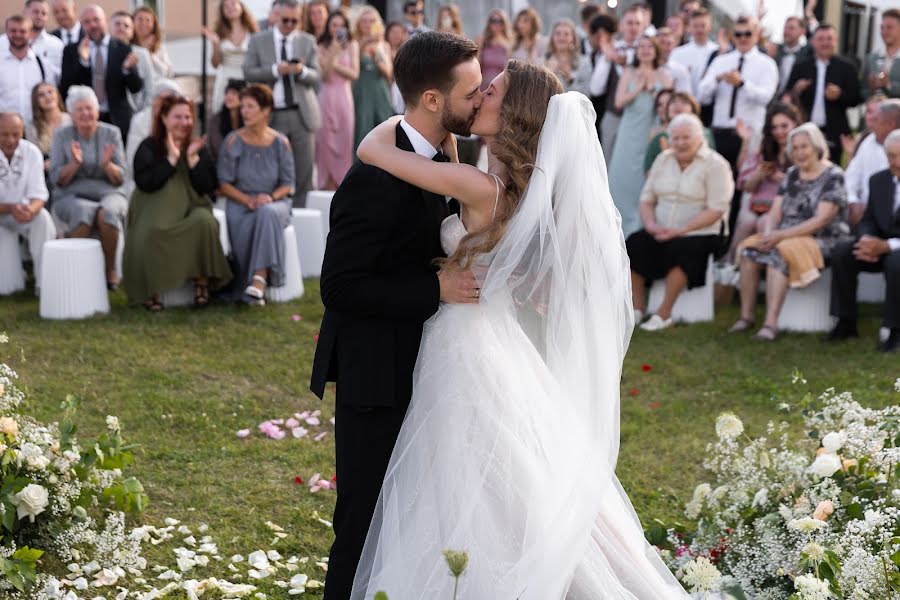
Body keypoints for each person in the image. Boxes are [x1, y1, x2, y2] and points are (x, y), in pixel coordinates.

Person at [323, 37, 691, 598]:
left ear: (509, 115)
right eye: (473, 91)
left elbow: (376, 150)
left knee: (461, 475)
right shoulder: (501, 183)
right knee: (482, 478)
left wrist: (382, 134)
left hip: (462, 342)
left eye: (486, 92)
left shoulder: (477, 183)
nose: (478, 99)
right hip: (474, 337)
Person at [731, 123, 851, 341]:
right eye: (794, 148)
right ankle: (746, 317)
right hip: (785, 235)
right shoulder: (791, 174)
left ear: (817, 147)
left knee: (779, 254)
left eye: (804, 147)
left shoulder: (834, 175)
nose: (799, 153)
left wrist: (779, 237)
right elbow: (775, 213)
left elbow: (821, 220)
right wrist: (768, 235)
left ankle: (770, 323)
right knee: (750, 251)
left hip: (823, 238)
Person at [123, 95, 231, 311]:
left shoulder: (198, 148)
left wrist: (192, 161)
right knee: (151, 233)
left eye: (188, 117)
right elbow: (145, 182)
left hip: (192, 206)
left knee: (205, 222)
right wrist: (170, 160)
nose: (184, 122)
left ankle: (202, 283)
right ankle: (149, 289)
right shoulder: (150, 146)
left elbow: (208, 186)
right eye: (177, 117)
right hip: (154, 206)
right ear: (163, 118)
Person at [628, 113, 732, 331]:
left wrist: (681, 230)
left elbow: (717, 209)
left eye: (686, 137)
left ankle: (664, 313)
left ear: (700, 137)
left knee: (686, 248)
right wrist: (650, 225)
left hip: (703, 232)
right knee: (634, 243)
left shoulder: (716, 164)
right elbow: (646, 199)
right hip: (662, 229)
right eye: (676, 138)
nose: (681, 143)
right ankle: (637, 309)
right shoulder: (663, 159)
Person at [217, 84, 294, 305]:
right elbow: (224, 184)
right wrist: (248, 200)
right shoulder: (232, 141)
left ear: (266, 110)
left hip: (275, 201)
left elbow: (287, 184)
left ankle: (259, 280)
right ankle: (249, 283)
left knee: (267, 213)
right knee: (257, 216)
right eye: (243, 107)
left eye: (251, 107)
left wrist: (269, 197)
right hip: (240, 202)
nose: (244, 112)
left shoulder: (281, 143)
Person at [49, 85, 129, 290]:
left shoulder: (111, 133)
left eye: (89, 108)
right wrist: (74, 164)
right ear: (72, 115)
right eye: (79, 109)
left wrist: (107, 165)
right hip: (71, 194)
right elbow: (56, 178)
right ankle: (78, 271)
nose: (85, 113)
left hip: (109, 192)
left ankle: (109, 270)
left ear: (97, 110)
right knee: (83, 211)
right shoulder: (61, 136)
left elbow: (121, 177)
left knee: (108, 212)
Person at [827, 129, 900, 353]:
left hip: (895, 250)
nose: (895, 162)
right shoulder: (879, 180)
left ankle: (895, 330)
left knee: (896, 262)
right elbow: (869, 218)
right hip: (879, 245)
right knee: (842, 252)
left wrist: (887, 246)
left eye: (899, 156)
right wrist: (867, 239)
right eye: (891, 156)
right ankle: (845, 321)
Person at [243, 0, 319, 206]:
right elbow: (248, 72)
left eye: (295, 20)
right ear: (276, 17)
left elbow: (316, 75)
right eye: (286, 20)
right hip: (271, 114)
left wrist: (300, 71)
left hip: (301, 114)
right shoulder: (259, 40)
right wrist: (276, 70)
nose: (290, 24)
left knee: (304, 173)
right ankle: (274, 215)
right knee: (271, 171)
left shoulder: (307, 40)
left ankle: (302, 218)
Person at [608, 35, 672, 238]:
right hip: (629, 132)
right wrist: (637, 88)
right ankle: (616, 230)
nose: (645, 50)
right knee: (621, 178)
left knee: (645, 181)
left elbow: (668, 104)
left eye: (649, 46)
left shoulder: (664, 75)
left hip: (652, 132)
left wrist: (652, 89)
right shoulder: (629, 72)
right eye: (641, 47)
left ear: (655, 50)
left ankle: (640, 229)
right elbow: (618, 102)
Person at [727, 102, 802, 264]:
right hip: (758, 205)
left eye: (784, 126)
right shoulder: (765, 150)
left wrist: (783, 180)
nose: (779, 132)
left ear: (795, 124)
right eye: (774, 128)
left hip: (786, 209)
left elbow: (806, 187)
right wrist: (759, 175)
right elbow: (745, 187)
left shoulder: (802, 150)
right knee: (747, 220)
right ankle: (732, 265)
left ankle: (765, 267)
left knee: (764, 222)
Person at [59, 5, 143, 141]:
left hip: (118, 121)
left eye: (96, 20)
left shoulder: (122, 48)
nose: (92, 25)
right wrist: (83, 62)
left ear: (106, 21)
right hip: (85, 120)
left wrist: (128, 70)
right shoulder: (71, 51)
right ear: (81, 25)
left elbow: (136, 88)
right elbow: (66, 87)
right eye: (87, 22)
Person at [785, 24, 862, 162]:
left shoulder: (847, 67)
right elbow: (786, 95)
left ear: (836, 41)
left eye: (829, 39)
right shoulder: (801, 66)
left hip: (834, 131)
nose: (825, 43)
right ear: (813, 41)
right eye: (821, 39)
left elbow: (856, 99)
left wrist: (840, 95)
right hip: (804, 128)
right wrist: (796, 90)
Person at [0, 112, 56, 293]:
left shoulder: (32, 152)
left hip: (21, 214)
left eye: (15, 134)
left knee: (43, 219)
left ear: (22, 132)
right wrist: (10, 208)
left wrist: (30, 210)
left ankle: (44, 283)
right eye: (4, 134)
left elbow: (39, 194)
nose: (10, 140)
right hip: (4, 211)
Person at [316, 11, 358, 191]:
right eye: (333, 25)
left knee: (344, 141)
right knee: (324, 143)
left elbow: (354, 74)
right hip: (326, 97)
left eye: (341, 25)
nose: (337, 29)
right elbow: (324, 76)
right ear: (328, 26)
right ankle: (324, 185)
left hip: (344, 98)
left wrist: (334, 62)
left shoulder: (352, 45)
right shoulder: (321, 45)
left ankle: (342, 187)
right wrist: (333, 51)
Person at [845, 99, 900, 225]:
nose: (871, 125)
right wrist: (853, 202)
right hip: (865, 218)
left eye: (877, 121)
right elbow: (850, 179)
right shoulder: (868, 142)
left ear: (890, 124)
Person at [599, 5, 642, 161]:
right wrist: (606, 58)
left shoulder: (647, 51)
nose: (634, 27)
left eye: (637, 23)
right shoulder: (611, 49)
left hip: (639, 118)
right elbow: (596, 88)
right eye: (630, 23)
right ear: (621, 25)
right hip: (613, 115)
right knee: (607, 160)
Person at [203, 0, 258, 113]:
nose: (230, 8)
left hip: (247, 78)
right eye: (225, 6)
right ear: (222, 12)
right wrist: (216, 45)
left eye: (233, 3)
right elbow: (215, 64)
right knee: (223, 113)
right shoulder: (218, 33)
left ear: (241, 7)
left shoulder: (253, 32)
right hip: (225, 78)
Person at [351, 6, 393, 149]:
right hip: (361, 92)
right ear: (358, 24)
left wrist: (377, 55)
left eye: (372, 21)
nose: (368, 24)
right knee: (362, 128)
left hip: (380, 90)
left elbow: (388, 73)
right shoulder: (354, 43)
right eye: (364, 21)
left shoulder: (384, 45)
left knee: (383, 128)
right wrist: (364, 43)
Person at [643, 91, 715, 173]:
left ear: (693, 109)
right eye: (673, 102)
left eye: (684, 102)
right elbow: (648, 170)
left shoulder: (705, 134)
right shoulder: (661, 136)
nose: (678, 105)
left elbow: (711, 163)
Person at [0, 15, 51, 125]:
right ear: (6, 32)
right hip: (5, 129)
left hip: (35, 128)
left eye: (23, 31)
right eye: (13, 30)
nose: (18, 35)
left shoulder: (42, 64)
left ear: (31, 34)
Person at [124, 78, 181, 177]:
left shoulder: (182, 121)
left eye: (172, 100)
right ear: (155, 100)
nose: (167, 104)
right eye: (164, 100)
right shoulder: (140, 120)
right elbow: (131, 159)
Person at [108, 11, 155, 114]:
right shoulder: (102, 52)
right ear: (109, 27)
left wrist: (144, 113)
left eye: (126, 26)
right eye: (117, 24)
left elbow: (150, 86)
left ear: (132, 32)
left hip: (135, 113)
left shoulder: (142, 54)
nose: (121, 28)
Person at [669, 8, 717, 99]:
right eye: (695, 26)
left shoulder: (717, 52)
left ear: (710, 26)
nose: (699, 29)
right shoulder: (677, 53)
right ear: (689, 27)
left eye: (703, 25)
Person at [25, 81, 71, 173]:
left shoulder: (71, 120)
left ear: (57, 94)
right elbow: (32, 157)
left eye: (50, 92)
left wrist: (56, 162)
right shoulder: (32, 127)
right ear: (36, 101)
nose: (47, 97)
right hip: (43, 172)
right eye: (41, 95)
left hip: (69, 168)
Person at [586, 13, 618, 143]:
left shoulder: (617, 55)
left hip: (610, 111)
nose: (601, 41)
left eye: (606, 37)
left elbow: (597, 88)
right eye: (598, 36)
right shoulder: (592, 55)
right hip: (594, 112)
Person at [542, 19, 592, 95]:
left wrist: (569, 78)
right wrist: (547, 75)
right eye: (558, 33)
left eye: (566, 34)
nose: (561, 37)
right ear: (552, 38)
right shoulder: (542, 61)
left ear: (573, 39)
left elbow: (587, 95)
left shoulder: (584, 62)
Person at [861, 8, 899, 99]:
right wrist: (871, 89)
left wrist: (889, 85)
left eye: (889, 27)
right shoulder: (871, 58)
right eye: (882, 27)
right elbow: (862, 91)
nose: (884, 32)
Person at [206, 78, 244, 161]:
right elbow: (216, 147)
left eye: (234, 93)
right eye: (227, 93)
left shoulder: (248, 119)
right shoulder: (216, 120)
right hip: (220, 164)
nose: (228, 96)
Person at [132, 6, 172, 80]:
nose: (144, 23)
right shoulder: (127, 46)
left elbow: (167, 73)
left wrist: (150, 55)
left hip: (159, 87)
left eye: (148, 20)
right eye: (140, 19)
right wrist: (143, 50)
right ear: (132, 21)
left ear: (153, 25)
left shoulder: (159, 47)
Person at [775, 16, 812, 95]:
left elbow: (817, 37)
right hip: (773, 100)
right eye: (785, 28)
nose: (786, 31)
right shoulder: (776, 50)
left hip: (795, 102)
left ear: (802, 31)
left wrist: (809, 14)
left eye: (791, 28)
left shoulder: (807, 54)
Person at [477, 9, 512, 93]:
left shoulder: (510, 43)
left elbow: (509, 69)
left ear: (504, 24)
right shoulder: (482, 41)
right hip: (483, 87)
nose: (497, 24)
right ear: (489, 24)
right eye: (493, 21)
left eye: (500, 21)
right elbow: (477, 64)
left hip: (500, 88)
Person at [656, 27, 690, 93]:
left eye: (669, 44)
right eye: (662, 43)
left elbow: (684, 96)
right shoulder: (646, 67)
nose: (665, 48)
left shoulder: (680, 70)